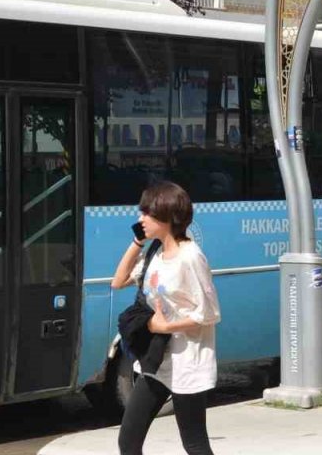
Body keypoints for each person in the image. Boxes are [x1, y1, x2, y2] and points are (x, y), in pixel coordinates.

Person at [111, 182, 221, 455]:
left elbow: (209, 313)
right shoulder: (155, 252)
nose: (140, 219)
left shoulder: (191, 257)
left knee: (194, 443)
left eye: (146, 214)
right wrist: (138, 241)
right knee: (128, 441)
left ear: (167, 216)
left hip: (187, 361)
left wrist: (165, 325)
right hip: (156, 358)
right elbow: (118, 281)